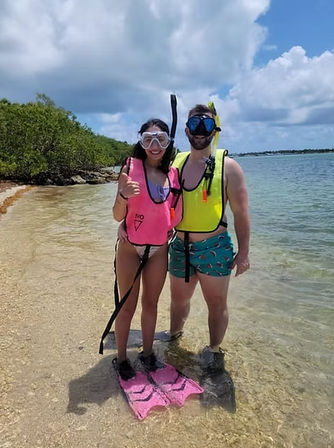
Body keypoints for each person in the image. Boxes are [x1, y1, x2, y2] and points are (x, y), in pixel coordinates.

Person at [167, 104, 250, 371]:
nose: (199, 131)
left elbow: (241, 213)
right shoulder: (175, 163)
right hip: (180, 246)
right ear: (186, 130)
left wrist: (244, 253)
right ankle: (174, 340)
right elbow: (157, 201)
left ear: (215, 129)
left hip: (215, 247)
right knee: (178, 300)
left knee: (216, 304)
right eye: (194, 125)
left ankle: (214, 351)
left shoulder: (229, 167)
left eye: (205, 125)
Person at [107, 118, 182, 380]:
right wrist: (122, 196)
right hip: (130, 249)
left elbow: (172, 213)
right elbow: (118, 215)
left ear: (168, 142)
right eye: (148, 138)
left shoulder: (172, 174)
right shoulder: (129, 168)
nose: (154, 145)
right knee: (127, 306)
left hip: (158, 250)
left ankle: (148, 354)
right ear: (140, 141)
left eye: (160, 138)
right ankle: (121, 358)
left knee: (151, 304)